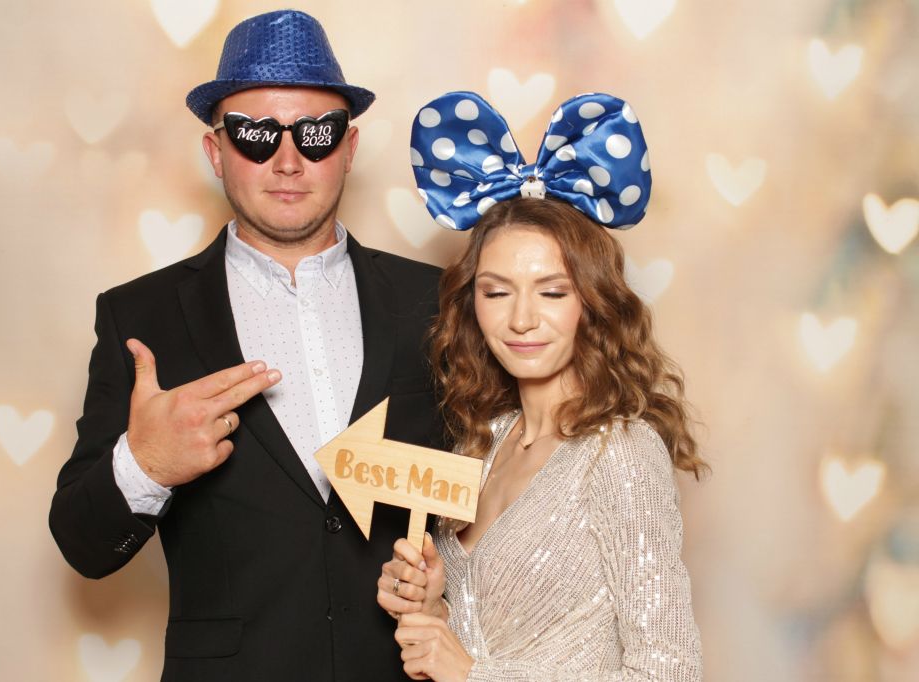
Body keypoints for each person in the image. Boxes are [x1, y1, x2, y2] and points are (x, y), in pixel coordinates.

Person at [49, 10, 443, 681]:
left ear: (349, 148)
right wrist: (145, 464)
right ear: (216, 152)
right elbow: (83, 544)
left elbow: (497, 489)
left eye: (315, 135)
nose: (287, 162)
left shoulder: (438, 300)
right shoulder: (140, 318)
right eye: (256, 135)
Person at [376, 91, 706, 681]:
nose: (522, 319)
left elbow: (670, 670)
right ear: (472, 304)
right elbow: (495, 641)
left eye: (552, 292)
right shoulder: (485, 440)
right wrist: (432, 606)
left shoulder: (619, 454)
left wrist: (473, 675)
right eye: (496, 291)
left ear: (592, 302)